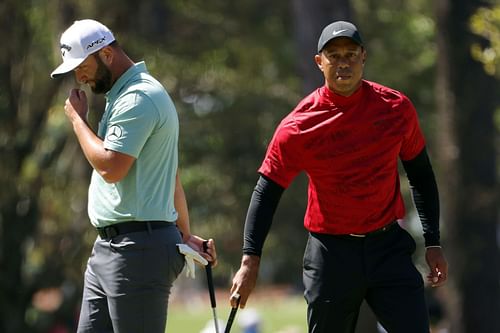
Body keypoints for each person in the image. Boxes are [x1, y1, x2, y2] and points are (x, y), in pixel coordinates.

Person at [230, 20, 448, 333]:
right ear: (320, 62)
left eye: (350, 53)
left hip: (387, 248)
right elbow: (266, 192)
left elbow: (421, 175)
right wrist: (250, 260)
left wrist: (433, 242)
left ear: (363, 57)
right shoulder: (298, 126)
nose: (343, 62)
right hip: (331, 255)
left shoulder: (395, 108)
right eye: (334, 55)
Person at [50, 19, 217, 333]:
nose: (79, 77)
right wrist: (184, 234)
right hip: (112, 248)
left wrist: (77, 120)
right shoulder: (122, 97)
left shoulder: (138, 98)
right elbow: (171, 176)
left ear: (107, 55)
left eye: (82, 66)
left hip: (138, 250)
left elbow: (110, 167)